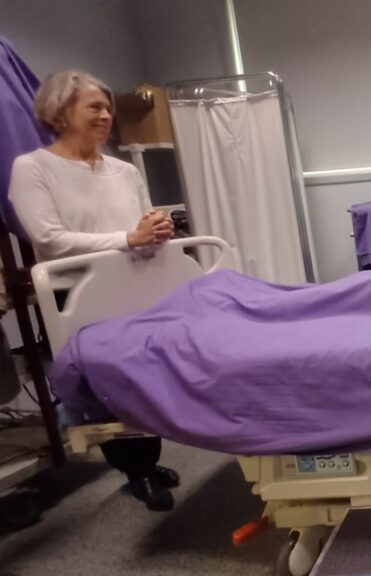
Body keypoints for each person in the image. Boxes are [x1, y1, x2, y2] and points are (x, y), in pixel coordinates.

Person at [8, 70, 179, 511]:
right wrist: (129, 238)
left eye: (108, 108)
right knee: (109, 383)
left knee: (146, 376)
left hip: (134, 281)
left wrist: (156, 227)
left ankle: (145, 461)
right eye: (94, 107)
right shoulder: (33, 169)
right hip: (78, 293)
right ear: (60, 112)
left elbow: (143, 221)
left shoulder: (124, 171)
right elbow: (49, 239)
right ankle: (138, 470)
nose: (105, 116)